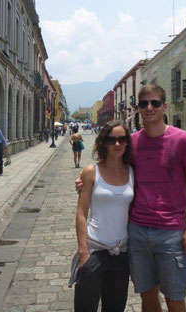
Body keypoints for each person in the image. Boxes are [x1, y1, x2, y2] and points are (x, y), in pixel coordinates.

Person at [78, 84, 186, 312]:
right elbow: (113, 169)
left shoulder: (184, 140)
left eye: (155, 103)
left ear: (164, 106)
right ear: (138, 108)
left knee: (175, 297)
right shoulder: (132, 142)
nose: (149, 108)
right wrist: (86, 181)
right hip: (136, 232)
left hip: (171, 232)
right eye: (144, 103)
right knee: (147, 295)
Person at [69, 121, 134, 311]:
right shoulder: (91, 172)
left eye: (122, 139)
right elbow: (81, 213)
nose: (117, 144)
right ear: (103, 142)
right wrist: (83, 253)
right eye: (111, 139)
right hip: (94, 250)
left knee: (115, 307)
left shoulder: (132, 172)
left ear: (127, 143)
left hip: (121, 253)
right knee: (85, 307)